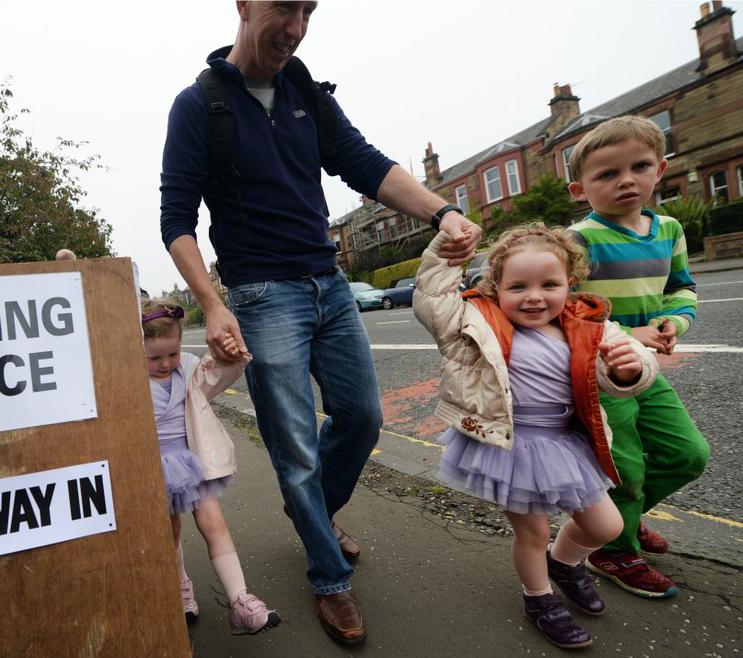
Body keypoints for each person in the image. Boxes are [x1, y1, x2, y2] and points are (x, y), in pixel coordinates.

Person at [159, 1, 481, 642]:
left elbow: (365, 162)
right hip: (261, 295)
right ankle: (329, 576)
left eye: (308, 11)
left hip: (329, 286)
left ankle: (312, 515)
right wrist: (213, 303)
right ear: (244, 5)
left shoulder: (306, 92)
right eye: (285, 7)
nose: (296, 27)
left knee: (362, 418)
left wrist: (442, 212)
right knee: (295, 449)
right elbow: (176, 218)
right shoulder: (199, 105)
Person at [413, 223, 659, 650]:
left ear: (570, 284)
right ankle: (539, 598)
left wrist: (629, 369)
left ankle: (564, 563)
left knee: (607, 526)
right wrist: (446, 250)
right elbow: (432, 298)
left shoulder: (588, 324)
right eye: (518, 286)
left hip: (566, 444)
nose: (534, 296)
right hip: (512, 446)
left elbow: (630, 363)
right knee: (533, 532)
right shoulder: (474, 320)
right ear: (496, 287)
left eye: (549, 285)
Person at [566, 115, 710, 598]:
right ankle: (612, 548)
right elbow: (563, 312)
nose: (626, 180)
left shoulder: (668, 229)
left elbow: (681, 287)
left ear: (661, 169)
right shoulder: (579, 240)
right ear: (579, 190)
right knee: (624, 467)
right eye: (607, 173)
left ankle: (621, 518)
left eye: (640, 166)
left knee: (688, 454)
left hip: (642, 369)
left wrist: (674, 323)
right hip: (598, 374)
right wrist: (631, 334)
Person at [142, 298, 281, 635]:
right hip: (151, 469)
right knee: (169, 532)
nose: (165, 363)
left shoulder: (189, 371)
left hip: (192, 463)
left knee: (215, 525)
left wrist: (230, 353)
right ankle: (180, 586)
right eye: (154, 358)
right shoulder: (126, 381)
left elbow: (219, 374)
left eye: (172, 353)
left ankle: (240, 600)